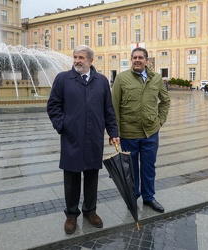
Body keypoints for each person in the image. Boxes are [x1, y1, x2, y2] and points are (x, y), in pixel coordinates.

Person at [47, 45, 119, 234]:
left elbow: (108, 110)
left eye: (81, 58)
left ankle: (90, 211)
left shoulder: (102, 81)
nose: (77, 61)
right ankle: (71, 215)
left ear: (90, 61)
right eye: (75, 57)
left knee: (92, 175)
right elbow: (53, 105)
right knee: (71, 177)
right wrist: (63, 125)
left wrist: (113, 132)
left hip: (94, 136)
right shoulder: (63, 79)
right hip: (72, 136)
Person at [111, 47, 170, 213]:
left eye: (140, 57)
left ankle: (149, 197)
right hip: (129, 133)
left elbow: (165, 101)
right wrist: (115, 132)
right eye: (134, 57)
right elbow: (114, 106)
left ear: (147, 61)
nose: (137, 60)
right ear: (131, 60)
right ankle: (133, 196)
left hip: (151, 132)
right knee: (131, 169)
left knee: (149, 167)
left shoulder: (156, 78)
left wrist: (160, 121)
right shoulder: (122, 79)